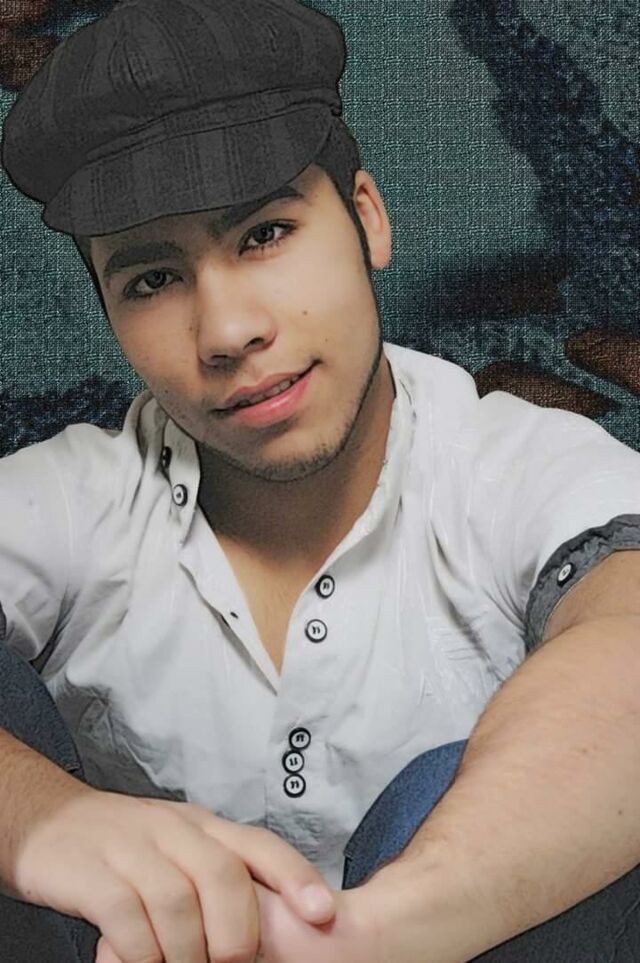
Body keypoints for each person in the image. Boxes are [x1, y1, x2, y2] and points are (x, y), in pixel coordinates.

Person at [2, 1, 640, 961]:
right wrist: (44, 821)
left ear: (367, 219)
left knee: (478, 800)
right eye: (151, 281)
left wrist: (369, 934)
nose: (228, 331)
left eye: (264, 234)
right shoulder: (75, 498)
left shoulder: (512, 464)